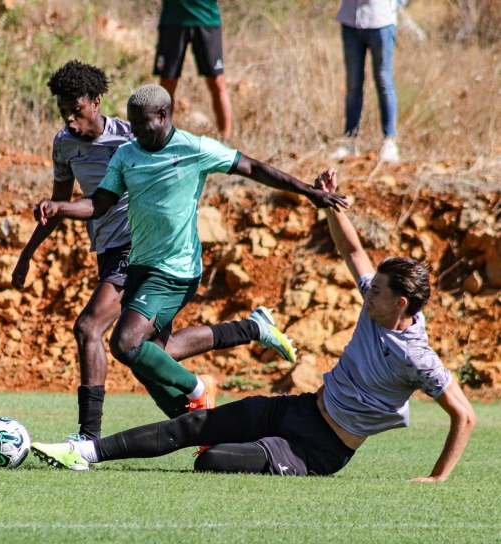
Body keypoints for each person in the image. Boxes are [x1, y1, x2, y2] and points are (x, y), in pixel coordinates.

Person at [31, 168, 476, 480]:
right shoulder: (379, 300)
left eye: (376, 291)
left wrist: (437, 478)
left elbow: (465, 415)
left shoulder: (416, 355)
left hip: (318, 450)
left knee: (211, 462)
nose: (367, 292)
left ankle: (251, 442)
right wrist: (328, 203)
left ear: (401, 304)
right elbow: (353, 251)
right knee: (193, 426)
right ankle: (85, 452)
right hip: (299, 408)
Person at [31, 84, 348, 426]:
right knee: (152, 358)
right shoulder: (127, 155)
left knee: (124, 343)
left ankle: (197, 389)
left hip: (176, 269)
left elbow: (253, 168)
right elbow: (99, 204)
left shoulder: (194, 148)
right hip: (141, 266)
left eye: (140, 123)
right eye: (131, 123)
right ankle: (205, 423)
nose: (133, 131)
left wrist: (307, 191)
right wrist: (60, 206)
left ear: (163, 116)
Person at [11, 60, 134, 441]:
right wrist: (27, 254)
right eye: (62, 111)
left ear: (96, 102)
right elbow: (59, 203)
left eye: (75, 110)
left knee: (88, 327)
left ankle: (88, 438)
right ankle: (249, 329)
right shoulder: (64, 144)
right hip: (107, 251)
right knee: (150, 349)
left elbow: (101, 202)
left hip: (138, 246)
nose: (68, 119)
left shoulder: (129, 139)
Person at [331, 0, 404, 162]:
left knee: (384, 80)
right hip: (350, 20)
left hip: (381, 20)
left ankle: (389, 142)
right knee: (353, 83)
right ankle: (349, 141)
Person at [154, 0, 232, 140]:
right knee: (167, 83)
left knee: (217, 82)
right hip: (173, 20)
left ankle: (226, 142)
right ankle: (162, 140)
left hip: (206, 18)